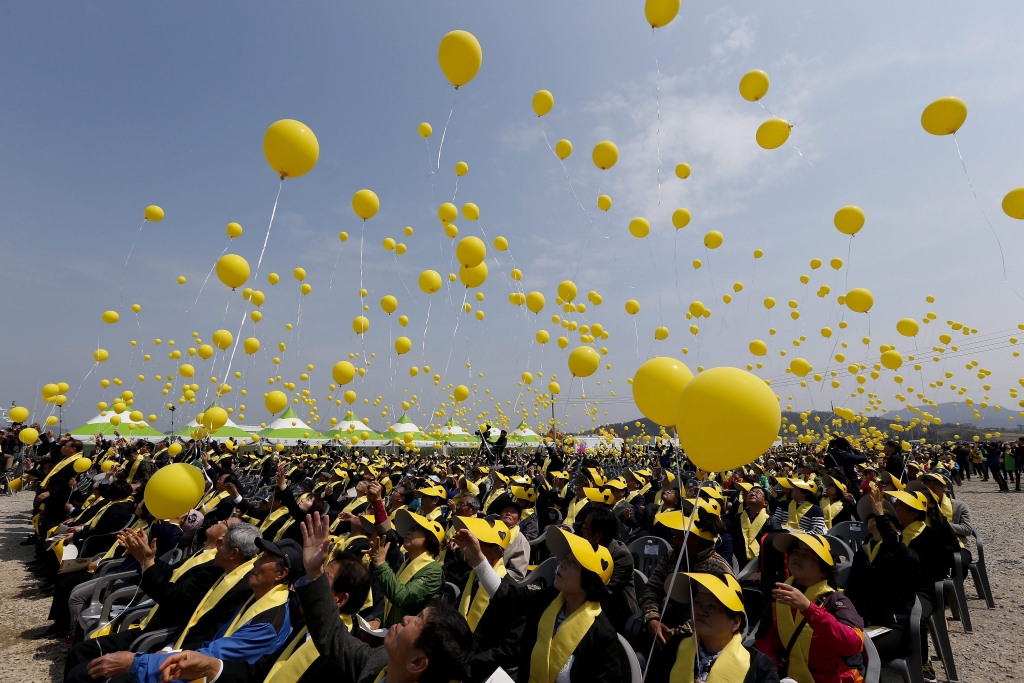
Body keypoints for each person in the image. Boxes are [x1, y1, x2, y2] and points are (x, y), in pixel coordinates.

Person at [155, 511, 474, 683]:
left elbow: (400, 595)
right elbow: (328, 631)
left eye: (416, 621)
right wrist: (314, 573)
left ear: (418, 662)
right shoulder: (374, 663)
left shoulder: (431, 570)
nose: (406, 617)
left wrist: (378, 566)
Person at [453, 524, 629, 682]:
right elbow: (506, 596)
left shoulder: (602, 634)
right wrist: (477, 558)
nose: (562, 564)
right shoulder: (549, 599)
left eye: (573, 562)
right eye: (565, 558)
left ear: (591, 582)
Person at [63, 520, 233, 683]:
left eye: (224, 523)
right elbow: (169, 572)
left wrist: (147, 561)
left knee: (80, 665)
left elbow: (173, 600)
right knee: (80, 652)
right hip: (150, 622)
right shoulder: (202, 553)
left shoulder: (214, 566)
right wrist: (145, 555)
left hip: (158, 633)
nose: (217, 521)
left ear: (224, 536)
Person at [755, 533, 865, 683]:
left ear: (824, 570)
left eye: (807, 554)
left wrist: (808, 608)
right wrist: (769, 673)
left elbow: (853, 644)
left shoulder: (836, 600)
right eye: (794, 552)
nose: (797, 557)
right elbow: (766, 640)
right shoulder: (780, 594)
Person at [646, 572, 779, 683]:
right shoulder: (674, 647)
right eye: (697, 602)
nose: (700, 611)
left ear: (735, 622)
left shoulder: (759, 667)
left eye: (711, 606)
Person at [642, 501, 733, 649]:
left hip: (700, 640)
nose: (673, 534)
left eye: (679, 531)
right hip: (666, 621)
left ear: (693, 537)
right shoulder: (671, 557)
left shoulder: (718, 569)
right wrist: (652, 618)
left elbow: (713, 616)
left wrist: (674, 634)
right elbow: (652, 588)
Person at [844, 486, 919, 664]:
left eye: (886, 519)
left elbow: (895, 546)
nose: (876, 519)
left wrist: (881, 518)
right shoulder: (863, 553)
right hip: (864, 622)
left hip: (893, 626)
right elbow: (853, 588)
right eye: (872, 517)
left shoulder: (904, 554)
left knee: (855, 651)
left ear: (897, 531)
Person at [448, 515, 525, 683]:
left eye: (477, 543)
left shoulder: (514, 593)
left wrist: (468, 666)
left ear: (496, 550)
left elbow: (509, 650)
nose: (468, 547)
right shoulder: (470, 578)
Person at [370, 508, 444, 627]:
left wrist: (380, 564)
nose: (408, 532)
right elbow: (394, 604)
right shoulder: (408, 562)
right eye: (410, 529)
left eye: (415, 529)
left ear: (429, 539)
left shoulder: (433, 570)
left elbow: (402, 597)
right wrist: (379, 619)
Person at [580, 506, 638, 633]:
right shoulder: (585, 547)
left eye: (585, 527)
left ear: (598, 535)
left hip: (616, 613)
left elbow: (605, 591)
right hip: (591, 605)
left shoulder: (621, 556)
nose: (582, 530)